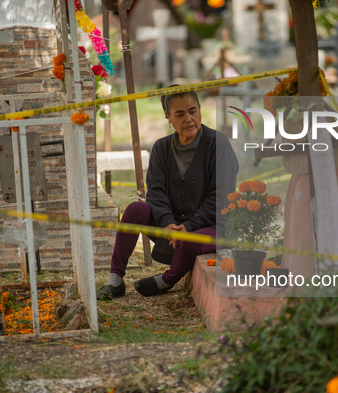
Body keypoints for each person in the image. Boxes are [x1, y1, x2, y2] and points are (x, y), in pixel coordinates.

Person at [96, 87, 239, 299]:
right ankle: (115, 280)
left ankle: (167, 280)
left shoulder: (218, 144)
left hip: (212, 227)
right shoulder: (161, 148)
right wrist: (168, 223)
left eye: (193, 111)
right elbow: (156, 192)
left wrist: (187, 227)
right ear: (168, 117)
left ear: (200, 110)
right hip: (171, 227)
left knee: (189, 238)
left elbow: (220, 197)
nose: (188, 119)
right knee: (135, 209)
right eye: (180, 114)